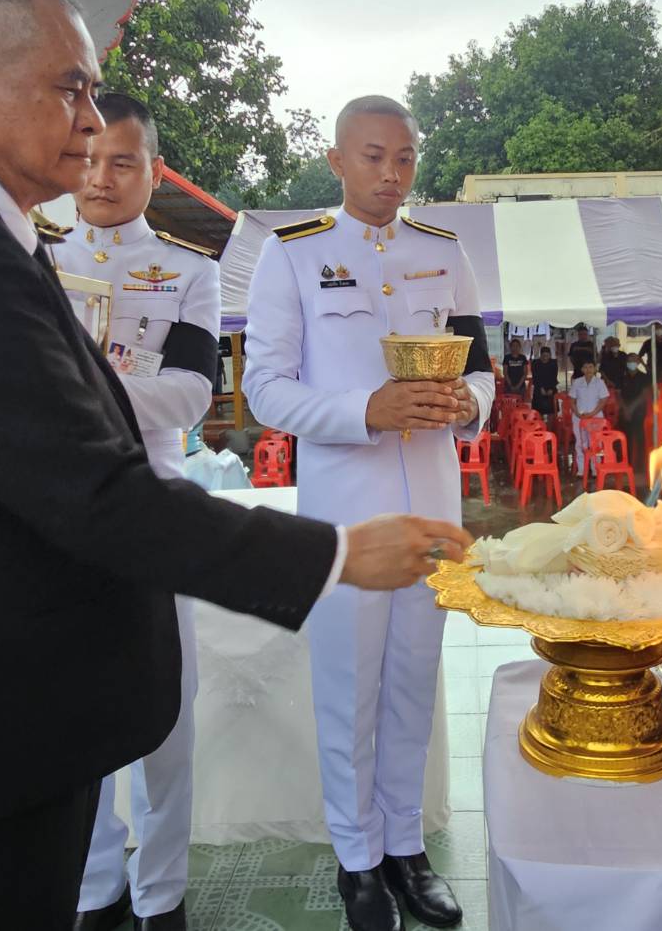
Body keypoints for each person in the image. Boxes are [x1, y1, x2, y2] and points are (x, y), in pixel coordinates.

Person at [0, 0, 468, 931]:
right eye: (70, 90)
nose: (93, 125)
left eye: (94, 97)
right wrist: (340, 553)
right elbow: (90, 483)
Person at [244, 95, 494, 931]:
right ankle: (355, 858)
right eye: (373, 156)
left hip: (431, 503)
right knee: (348, 684)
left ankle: (404, 850)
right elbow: (266, 389)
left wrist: (467, 402)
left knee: (414, 682)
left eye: (405, 158)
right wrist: (364, 412)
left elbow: (484, 370)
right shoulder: (293, 256)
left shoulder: (443, 251)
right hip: (345, 512)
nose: (391, 174)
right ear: (338, 160)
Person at [51, 94, 218, 931]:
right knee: (70, 710)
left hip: (152, 512)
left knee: (165, 716)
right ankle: (94, 889)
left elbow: (191, 391)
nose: (101, 178)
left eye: (123, 161)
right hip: (50, 514)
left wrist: (79, 390)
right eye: (87, 158)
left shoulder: (191, 270)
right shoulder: (28, 257)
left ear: (154, 170)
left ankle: (161, 895)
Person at [616, 353, 655, 479]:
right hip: (624, 412)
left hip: (638, 412)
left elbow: (644, 395)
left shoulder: (644, 377)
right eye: (629, 360)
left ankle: (640, 467)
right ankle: (624, 464)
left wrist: (631, 408)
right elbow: (618, 394)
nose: (631, 363)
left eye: (634, 360)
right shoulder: (622, 377)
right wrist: (625, 409)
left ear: (638, 362)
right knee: (623, 439)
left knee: (639, 439)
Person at [569, 359, 610, 475]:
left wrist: (592, 413)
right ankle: (582, 469)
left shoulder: (599, 382)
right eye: (585, 367)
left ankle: (595, 468)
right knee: (581, 442)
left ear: (595, 368)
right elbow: (571, 400)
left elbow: (603, 400)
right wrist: (577, 413)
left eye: (590, 367)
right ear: (582, 369)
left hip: (595, 417)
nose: (588, 370)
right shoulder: (577, 382)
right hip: (579, 417)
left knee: (596, 443)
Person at [530, 345, 559, 418]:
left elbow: (554, 377)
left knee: (551, 412)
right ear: (540, 355)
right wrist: (541, 388)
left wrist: (551, 389)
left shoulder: (553, 363)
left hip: (551, 388)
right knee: (538, 412)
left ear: (550, 355)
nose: (545, 358)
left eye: (547, 356)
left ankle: (550, 428)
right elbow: (535, 377)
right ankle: (540, 427)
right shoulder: (535, 363)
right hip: (538, 388)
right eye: (543, 356)